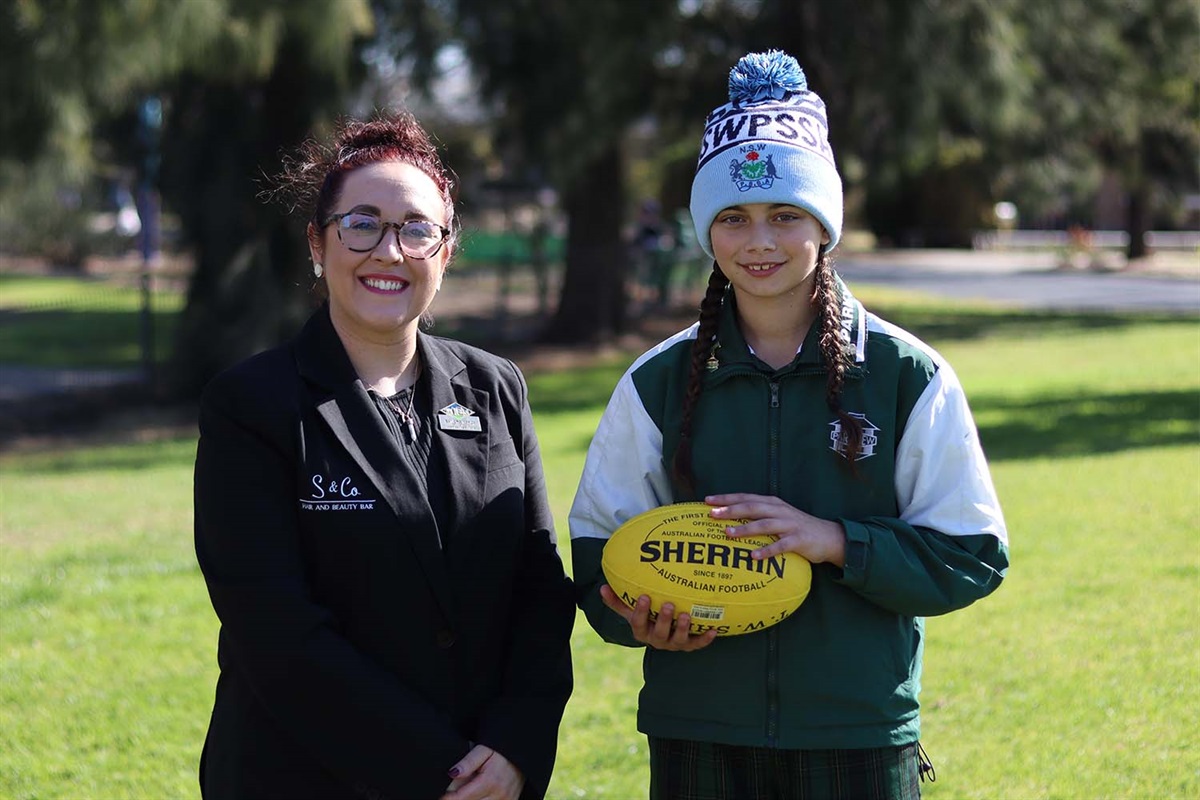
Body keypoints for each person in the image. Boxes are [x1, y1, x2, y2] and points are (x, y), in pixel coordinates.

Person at [569, 50, 1008, 799]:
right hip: (698, 728)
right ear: (707, 232)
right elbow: (597, 554)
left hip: (857, 731)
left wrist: (837, 541)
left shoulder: (908, 375)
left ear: (825, 225)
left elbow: (970, 553)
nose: (759, 241)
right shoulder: (658, 381)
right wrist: (637, 616)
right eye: (733, 218)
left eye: (785, 215)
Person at [193, 111, 574, 800]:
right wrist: (442, 772)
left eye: (416, 228)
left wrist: (516, 743)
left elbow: (540, 592)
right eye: (361, 223)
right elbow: (277, 633)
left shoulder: (496, 388)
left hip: (487, 776)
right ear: (318, 241)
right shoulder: (250, 406)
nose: (389, 251)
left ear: (447, 249)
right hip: (304, 776)